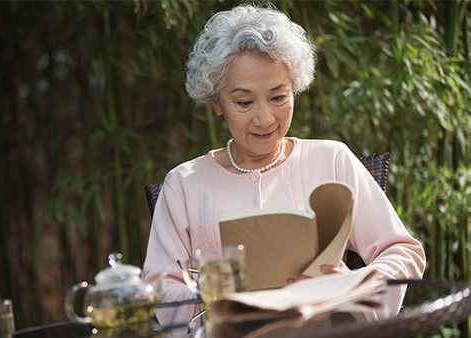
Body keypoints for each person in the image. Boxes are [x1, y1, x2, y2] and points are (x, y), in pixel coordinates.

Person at [141, 3, 425, 333]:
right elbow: (162, 289)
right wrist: (214, 300)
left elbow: (403, 252)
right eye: (244, 102)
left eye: (278, 97)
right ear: (216, 102)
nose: (265, 119)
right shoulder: (184, 185)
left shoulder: (332, 160)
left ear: (295, 89)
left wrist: (356, 285)